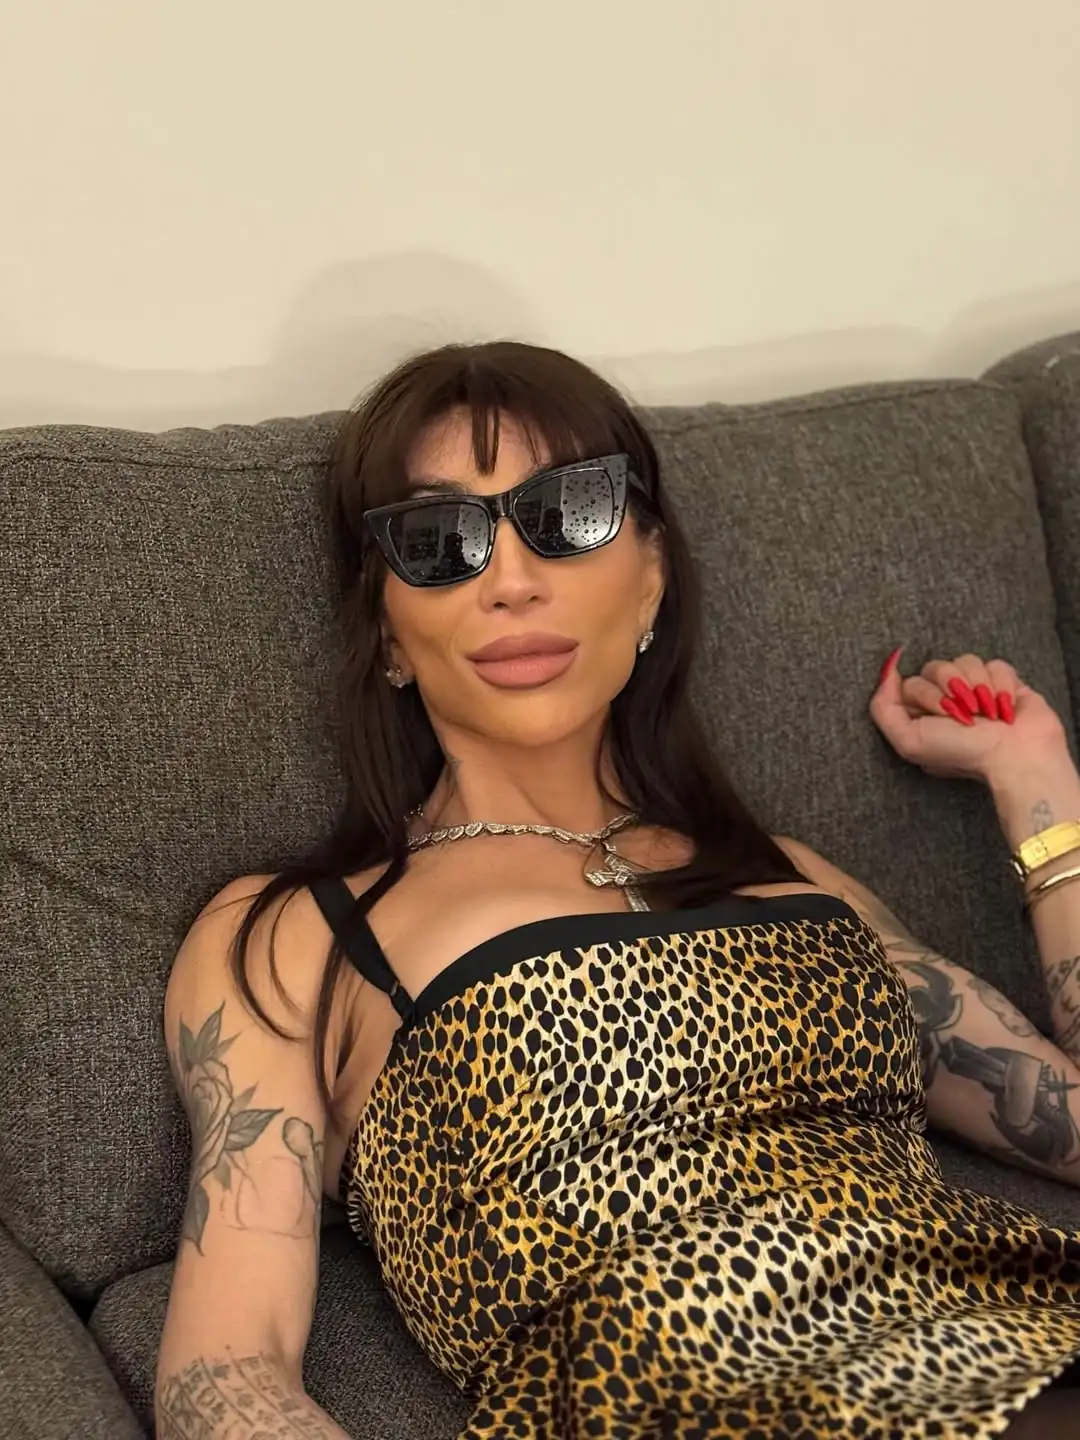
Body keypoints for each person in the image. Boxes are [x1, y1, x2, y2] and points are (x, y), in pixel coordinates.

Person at [154, 341, 1080, 1440]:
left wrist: (1036, 782)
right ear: (388, 628)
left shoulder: (789, 873)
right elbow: (227, 1367)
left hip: (1019, 1343)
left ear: (650, 576)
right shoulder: (297, 935)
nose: (509, 579)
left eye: (568, 513)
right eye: (439, 540)